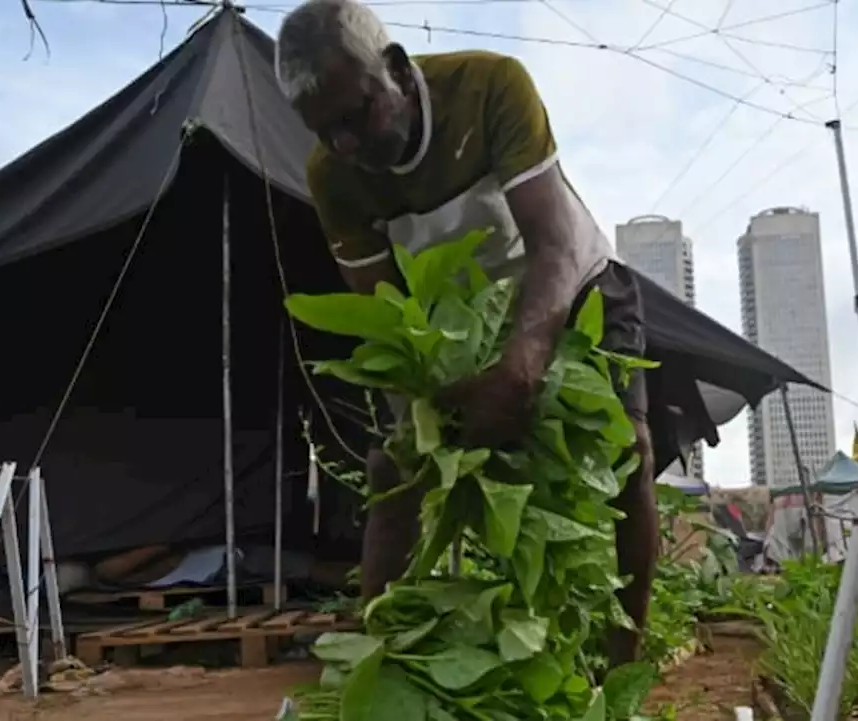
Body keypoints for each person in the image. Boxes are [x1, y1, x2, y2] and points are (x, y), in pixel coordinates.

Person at [275, 0, 657, 667]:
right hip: (462, 325)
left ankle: (625, 659)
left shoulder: (489, 86)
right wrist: (428, 418)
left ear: (393, 69)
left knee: (628, 452)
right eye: (326, 130)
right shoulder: (332, 175)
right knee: (393, 471)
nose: (348, 144)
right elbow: (392, 314)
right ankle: (385, 663)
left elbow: (553, 244)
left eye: (358, 113)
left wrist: (525, 360)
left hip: (570, 282)